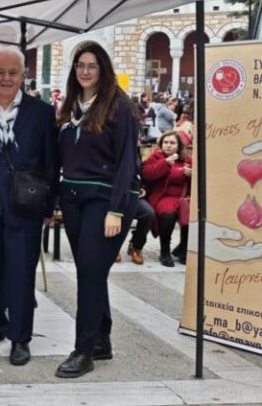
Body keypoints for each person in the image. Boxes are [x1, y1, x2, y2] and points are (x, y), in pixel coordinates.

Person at [0, 47, 58, 366]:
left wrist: (50, 205)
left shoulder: (42, 113)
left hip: (26, 204)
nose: (6, 78)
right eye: (0, 72)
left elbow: (51, 160)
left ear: (23, 75)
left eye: (13, 72)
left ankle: (20, 337)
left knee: (20, 273)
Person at [55, 43, 139, 378]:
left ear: (103, 69)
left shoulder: (120, 107)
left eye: (92, 65)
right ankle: (102, 340)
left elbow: (127, 162)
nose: (85, 71)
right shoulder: (70, 106)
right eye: (80, 65)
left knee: (89, 273)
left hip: (106, 201)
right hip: (74, 198)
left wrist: (116, 210)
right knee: (91, 272)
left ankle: (84, 350)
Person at [141, 130, 192, 267]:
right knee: (168, 215)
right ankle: (165, 251)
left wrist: (191, 175)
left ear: (179, 145)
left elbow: (198, 182)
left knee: (192, 214)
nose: (168, 145)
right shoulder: (155, 157)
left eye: (172, 143)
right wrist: (165, 164)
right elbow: (147, 175)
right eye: (166, 142)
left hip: (182, 198)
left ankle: (183, 248)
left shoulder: (187, 160)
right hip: (162, 196)